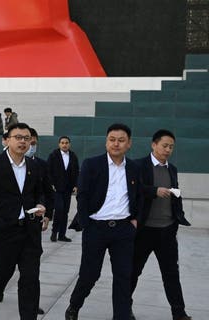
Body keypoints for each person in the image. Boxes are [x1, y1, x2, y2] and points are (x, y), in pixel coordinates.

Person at [0, 123, 49, 320]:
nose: (23, 141)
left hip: (30, 231)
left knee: (30, 279)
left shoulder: (34, 165)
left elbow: (42, 192)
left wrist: (42, 207)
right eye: (18, 137)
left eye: (26, 138)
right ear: (7, 140)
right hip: (5, 231)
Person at [65, 123, 142, 320]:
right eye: (112, 140)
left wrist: (134, 220)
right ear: (106, 141)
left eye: (121, 140)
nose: (116, 144)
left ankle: (122, 315)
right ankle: (74, 306)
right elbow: (82, 195)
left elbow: (139, 196)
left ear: (129, 144)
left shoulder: (134, 168)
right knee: (90, 274)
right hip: (96, 228)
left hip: (123, 230)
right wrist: (86, 223)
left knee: (124, 276)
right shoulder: (92, 164)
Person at [130, 130, 192, 320]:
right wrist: (154, 191)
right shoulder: (139, 165)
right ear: (154, 144)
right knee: (132, 272)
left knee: (171, 274)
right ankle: (124, 308)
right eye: (164, 145)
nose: (168, 150)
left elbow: (176, 193)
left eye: (171, 147)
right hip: (144, 230)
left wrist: (177, 217)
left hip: (167, 230)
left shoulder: (172, 169)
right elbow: (134, 189)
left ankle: (179, 313)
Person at [47, 136, 80, 242]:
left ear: (69, 144)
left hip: (68, 188)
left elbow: (76, 172)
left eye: (66, 143)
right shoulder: (53, 155)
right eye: (62, 142)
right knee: (59, 210)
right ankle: (54, 232)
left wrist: (76, 185)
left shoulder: (73, 156)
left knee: (65, 212)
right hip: (56, 188)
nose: (64, 144)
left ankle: (62, 235)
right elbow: (48, 170)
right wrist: (51, 183)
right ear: (59, 144)